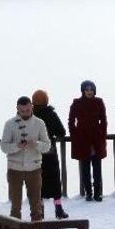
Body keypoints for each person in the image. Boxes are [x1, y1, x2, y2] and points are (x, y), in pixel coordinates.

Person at [1, 96, 51, 229]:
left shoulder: (39, 123)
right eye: (22, 110)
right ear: (17, 109)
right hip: (14, 169)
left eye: (27, 110)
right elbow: (3, 146)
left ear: (32, 108)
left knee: (36, 205)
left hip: (34, 168)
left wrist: (35, 144)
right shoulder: (9, 124)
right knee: (15, 206)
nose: (25, 113)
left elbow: (47, 146)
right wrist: (17, 146)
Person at [32, 90, 69, 219]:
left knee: (37, 181)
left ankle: (39, 209)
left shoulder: (30, 115)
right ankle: (58, 209)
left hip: (34, 152)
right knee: (54, 181)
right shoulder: (51, 114)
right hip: (50, 152)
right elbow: (61, 132)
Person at [68, 80, 107, 201]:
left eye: (91, 89)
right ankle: (88, 193)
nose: (89, 92)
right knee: (85, 168)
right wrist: (75, 134)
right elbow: (71, 121)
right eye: (87, 89)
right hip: (82, 139)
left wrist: (102, 134)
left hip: (96, 138)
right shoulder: (77, 103)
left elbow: (104, 120)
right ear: (83, 91)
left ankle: (98, 193)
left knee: (97, 167)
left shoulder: (99, 102)